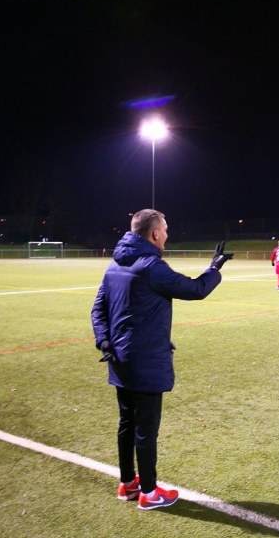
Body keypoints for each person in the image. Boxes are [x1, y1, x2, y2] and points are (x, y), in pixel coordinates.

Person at [91, 209, 233, 510]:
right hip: (145, 361)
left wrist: (104, 341)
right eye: (165, 229)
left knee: (127, 422)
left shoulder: (115, 264)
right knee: (145, 428)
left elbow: (98, 309)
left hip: (119, 358)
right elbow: (195, 289)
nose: (167, 234)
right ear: (154, 234)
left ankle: (128, 484)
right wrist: (215, 268)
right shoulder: (151, 266)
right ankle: (149, 493)